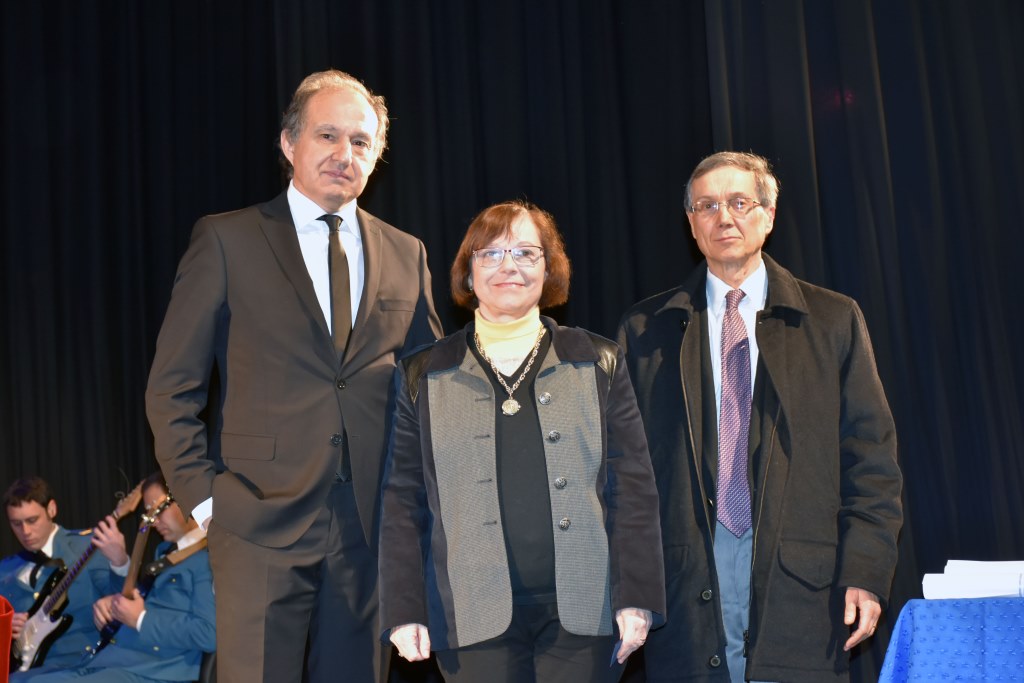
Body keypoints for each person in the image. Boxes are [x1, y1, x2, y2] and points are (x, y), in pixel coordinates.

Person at [144, 69, 443, 683]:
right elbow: (171, 389)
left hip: (368, 531)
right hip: (255, 524)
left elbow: (430, 392)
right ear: (289, 144)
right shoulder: (227, 240)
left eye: (360, 141)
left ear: (378, 154)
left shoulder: (406, 253)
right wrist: (208, 502)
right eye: (327, 135)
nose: (344, 154)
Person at [617, 151, 904, 682]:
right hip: (685, 576)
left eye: (740, 202)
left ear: (768, 216)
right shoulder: (644, 331)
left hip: (802, 576)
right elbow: (622, 474)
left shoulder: (832, 320)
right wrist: (629, 585)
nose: (724, 217)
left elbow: (871, 459)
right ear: (691, 224)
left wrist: (865, 569)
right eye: (707, 206)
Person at [379, 200, 665, 683]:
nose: (508, 266)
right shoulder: (423, 373)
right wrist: (403, 607)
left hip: (585, 610)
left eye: (526, 253)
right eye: (490, 254)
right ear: (468, 275)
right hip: (468, 613)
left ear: (548, 270)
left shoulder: (599, 361)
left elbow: (633, 489)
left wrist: (638, 596)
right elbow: (402, 499)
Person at [12, 471, 215, 682]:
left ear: (184, 501)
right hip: (113, 660)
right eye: (148, 512)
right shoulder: (167, 552)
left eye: (157, 509)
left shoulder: (209, 559)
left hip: (151, 670)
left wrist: (141, 619)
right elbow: (151, 605)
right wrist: (115, 604)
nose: (153, 521)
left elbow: (208, 633)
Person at [1, 477, 112, 670]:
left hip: (81, 664)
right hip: (21, 671)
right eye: (16, 523)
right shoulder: (5, 569)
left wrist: (122, 564)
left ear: (51, 509)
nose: (25, 531)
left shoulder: (89, 546)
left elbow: (120, 596)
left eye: (32, 520)